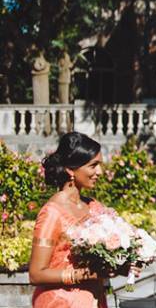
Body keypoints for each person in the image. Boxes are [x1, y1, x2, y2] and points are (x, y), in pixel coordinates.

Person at [29, 132, 109, 308]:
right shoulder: (52, 212)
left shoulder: (94, 207)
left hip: (94, 299)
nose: (100, 172)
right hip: (61, 302)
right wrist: (83, 275)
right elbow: (36, 274)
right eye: (93, 165)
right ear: (71, 169)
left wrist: (123, 262)